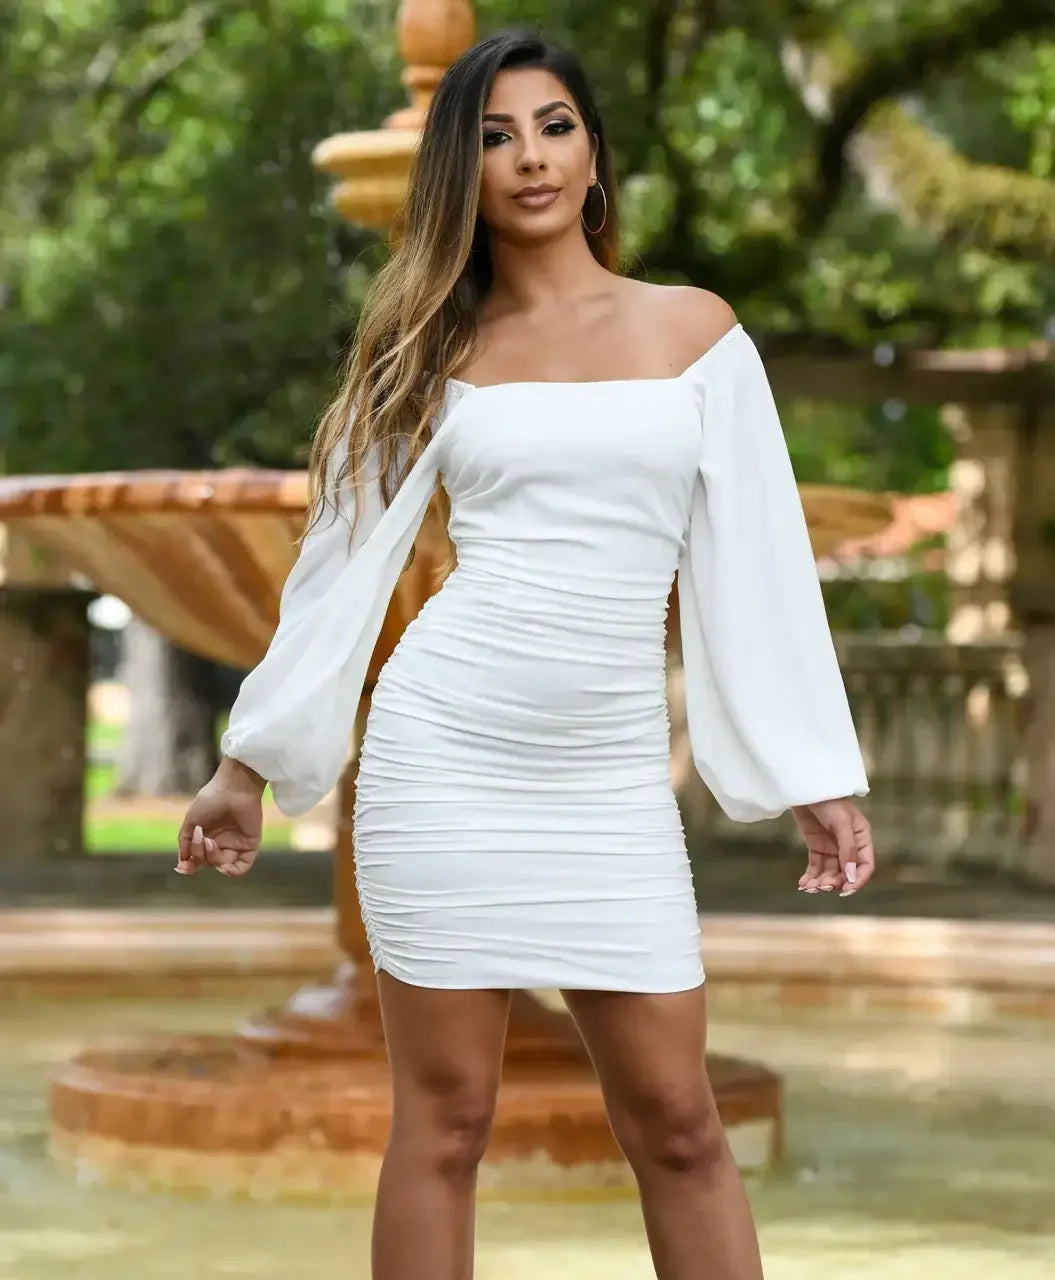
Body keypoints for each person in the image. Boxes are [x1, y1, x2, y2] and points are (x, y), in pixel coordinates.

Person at [177, 26, 874, 1280]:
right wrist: (248, 762)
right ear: (463, 172)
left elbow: (756, 566)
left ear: (594, 154)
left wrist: (810, 768)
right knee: (444, 1125)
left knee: (678, 1123)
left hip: (607, 776)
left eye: (553, 126)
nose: (530, 158)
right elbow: (337, 569)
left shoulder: (698, 334)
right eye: (494, 138)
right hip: (445, 753)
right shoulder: (429, 347)